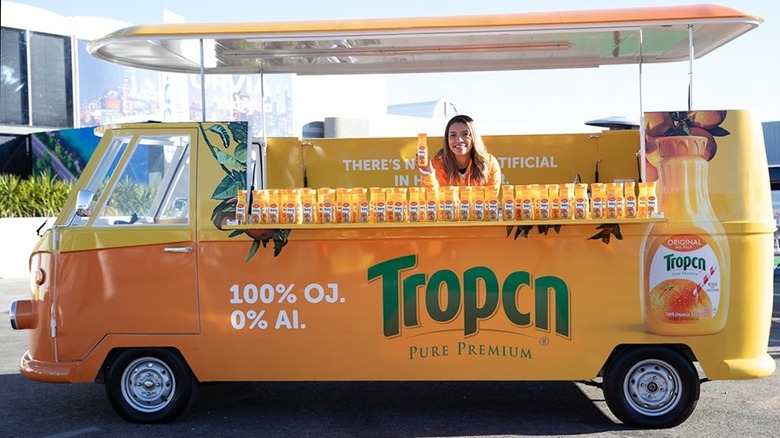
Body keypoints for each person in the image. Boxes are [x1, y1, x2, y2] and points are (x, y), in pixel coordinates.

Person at [417, 114, 502, 190]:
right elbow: (432, 199)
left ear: (474, 137)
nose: (459, 140)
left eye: (465, 134)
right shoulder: (436, 164)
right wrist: (429, 177)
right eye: (453, 135)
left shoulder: (489, 163)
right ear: (447, 139)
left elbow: (490, 199)